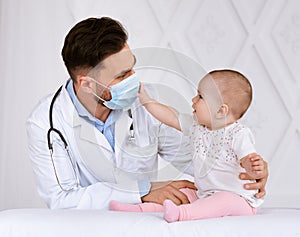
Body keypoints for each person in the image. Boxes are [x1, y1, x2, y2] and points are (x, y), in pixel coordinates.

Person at [26, 17, 268, 210]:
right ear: (87, 84)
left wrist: (244, 174)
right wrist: (142, 191)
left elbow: (197, 158)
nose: (133, 79)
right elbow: (61, 201)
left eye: (131, 67)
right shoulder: (46, 123)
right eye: (121, 75)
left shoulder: (148, 103)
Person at [110, 69, 265, 222]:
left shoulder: (238, 134)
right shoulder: (197, 127)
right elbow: (171, 117)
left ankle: (182, 214)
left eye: (200, 97)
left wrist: (253, 167)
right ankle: (138, 209)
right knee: (182, 193)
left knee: (223, 200)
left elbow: (247, 158)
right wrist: (147, 101)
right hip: (205, 193)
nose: (193, 100)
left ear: (220, 111)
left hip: (238, 200)